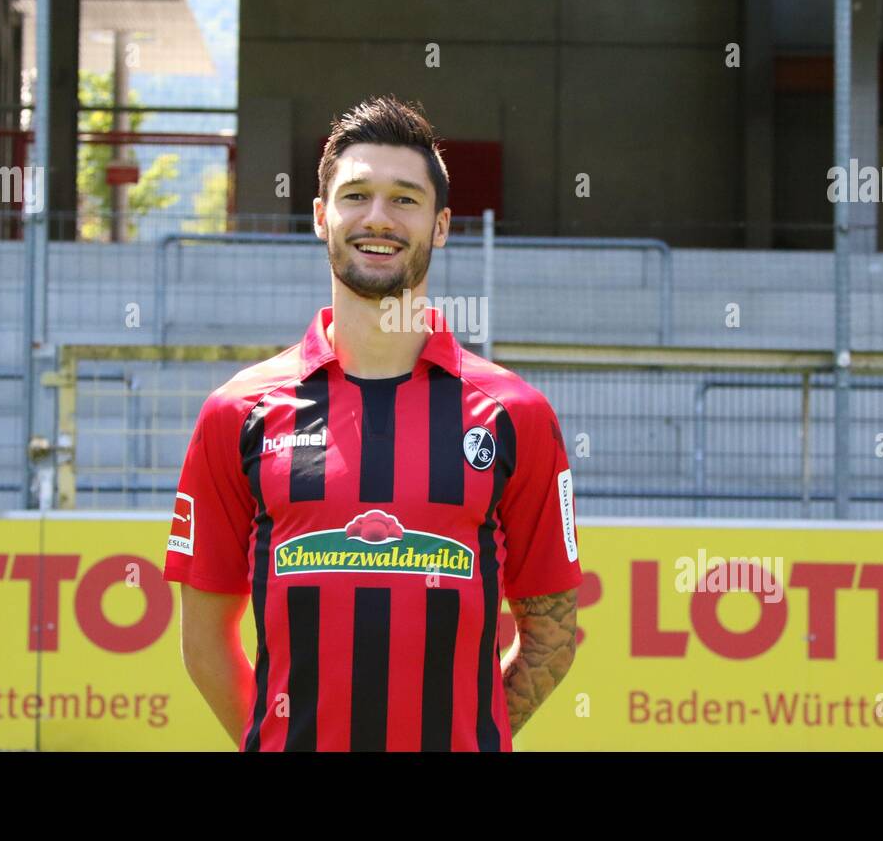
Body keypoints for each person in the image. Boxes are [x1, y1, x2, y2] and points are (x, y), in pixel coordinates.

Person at [164, 94, 581, 751]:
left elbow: (554, 640)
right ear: (320, 217)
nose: (378, 219)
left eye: (405, 199)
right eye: (356, 195)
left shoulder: (515, 416)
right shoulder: (236, 413)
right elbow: (203, 642)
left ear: (441, 226)